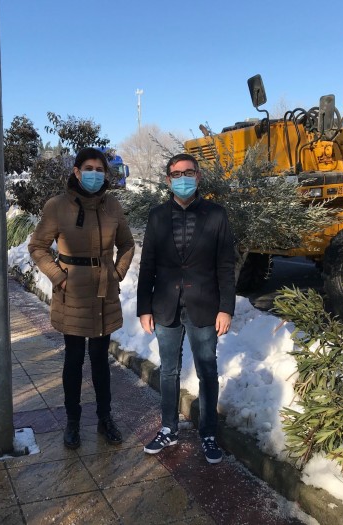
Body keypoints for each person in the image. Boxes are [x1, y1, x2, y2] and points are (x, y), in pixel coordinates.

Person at [29, 147, 135, 449]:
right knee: (74, 359)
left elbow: (127, 243)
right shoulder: (57, 206)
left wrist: (117, 272)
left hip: (104, 291)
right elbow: (37, 247)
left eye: (99, 169)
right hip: (71, 291)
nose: (94, 174)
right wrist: (59, 276)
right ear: (76, 171)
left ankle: (105, 418)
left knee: (101, 360)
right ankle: (72, 422)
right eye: (88, 168)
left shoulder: (112, 205)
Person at [137, 153, 235, 464]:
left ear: (198, 176)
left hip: (204, 307)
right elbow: (147, 265)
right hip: (165, 307)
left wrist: (226, 309)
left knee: (207, 371)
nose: (182, 178)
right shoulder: (157, 216)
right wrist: (144, 307)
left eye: (188, 172)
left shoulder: (216, 215)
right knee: (168, 371)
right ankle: (169, 427)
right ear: (168, 179)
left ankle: (208, 432)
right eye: (176, 173)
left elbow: (225, 266)